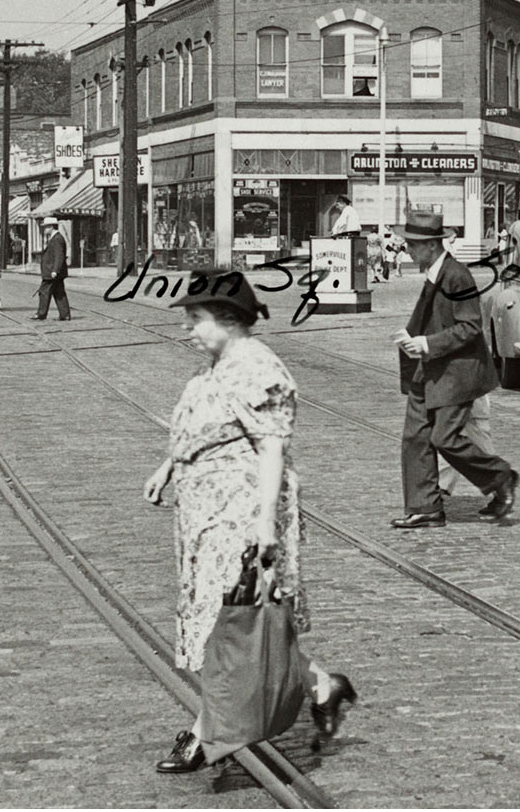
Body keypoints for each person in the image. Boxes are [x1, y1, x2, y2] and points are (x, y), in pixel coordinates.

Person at [143, 271, 357, 774]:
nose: (189, 329)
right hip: (205, 515)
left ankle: (204, 733)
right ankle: (323, 687)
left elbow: (272, 449)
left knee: (227, 624)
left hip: (240, 514)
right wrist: (169, 466)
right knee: (238, 617)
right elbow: (205, 428)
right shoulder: (216, 366)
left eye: (196, 319)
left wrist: (264, 528)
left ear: (229, 320)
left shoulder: (257, 368)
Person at [390, 213, 519, 529]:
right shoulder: (436, 271)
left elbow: (470, 327)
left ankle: (500, 478)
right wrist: (413, 340)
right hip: (432, 369)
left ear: (432, 246)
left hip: (457, 372)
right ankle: (425, 507)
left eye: (413, 244)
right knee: (414, 435)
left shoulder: (456, 275)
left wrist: (426, 344)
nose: (407, 249)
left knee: (444, 437)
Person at [35, 221, 71, 321]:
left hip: (52, 272)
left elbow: (59, 256)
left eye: (46, 227)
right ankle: (65, 314)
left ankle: (41, 314)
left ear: (51, 227)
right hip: (55, 272)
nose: (44, 229)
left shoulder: (57, 239)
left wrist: (55, 270)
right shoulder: (55, 238)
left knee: (44, 292)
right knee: (59, 293)